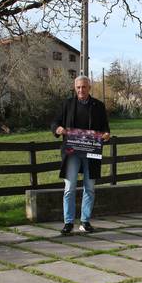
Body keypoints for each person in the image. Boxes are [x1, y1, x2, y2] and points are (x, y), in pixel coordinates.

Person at [51, 75, 110, 234]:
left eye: (84, 87)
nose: (81, 90)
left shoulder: (98, 105)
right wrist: (58, 129)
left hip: (91, 152)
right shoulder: (67, 104)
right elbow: (55, 122)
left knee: (89, 188)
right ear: (74, 88)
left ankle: (85, 221)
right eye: (78, 87)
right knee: (69, 187)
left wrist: (106, 135)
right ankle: (68, 222)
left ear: (89, 88)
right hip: (72, 152)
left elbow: (105, 128)